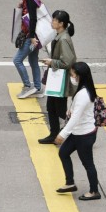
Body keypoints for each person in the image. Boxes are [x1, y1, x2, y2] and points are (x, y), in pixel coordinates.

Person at [54, 62, 100, 201]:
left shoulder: (83, 95)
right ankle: (70, 183)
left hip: (83, 135)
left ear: (79, 76)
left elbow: (75, 118)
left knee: (88, 163)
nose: (71, 76)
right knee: (63, 153)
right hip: (79, 132)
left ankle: (94, 191)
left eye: (73, 74)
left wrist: (62, 135)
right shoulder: (85, 89)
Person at [38, 10, 77, 144]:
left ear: (61, 24)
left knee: (59, 110)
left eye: (54, 20)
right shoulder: (60, 36)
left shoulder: (64, 39)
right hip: (56, 79)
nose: (52, 21)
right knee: (51, 107)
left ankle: (73, 134)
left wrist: (51, 62)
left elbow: (68, 61)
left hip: (60, 80)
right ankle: (54, 134)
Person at [12, 0, 44, 99]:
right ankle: (37, 86)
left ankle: (27, 86)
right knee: (33, 61)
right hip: (34, 35)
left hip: (30, 36)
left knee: (17, 60)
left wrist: (31, 37)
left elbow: (33, 19)